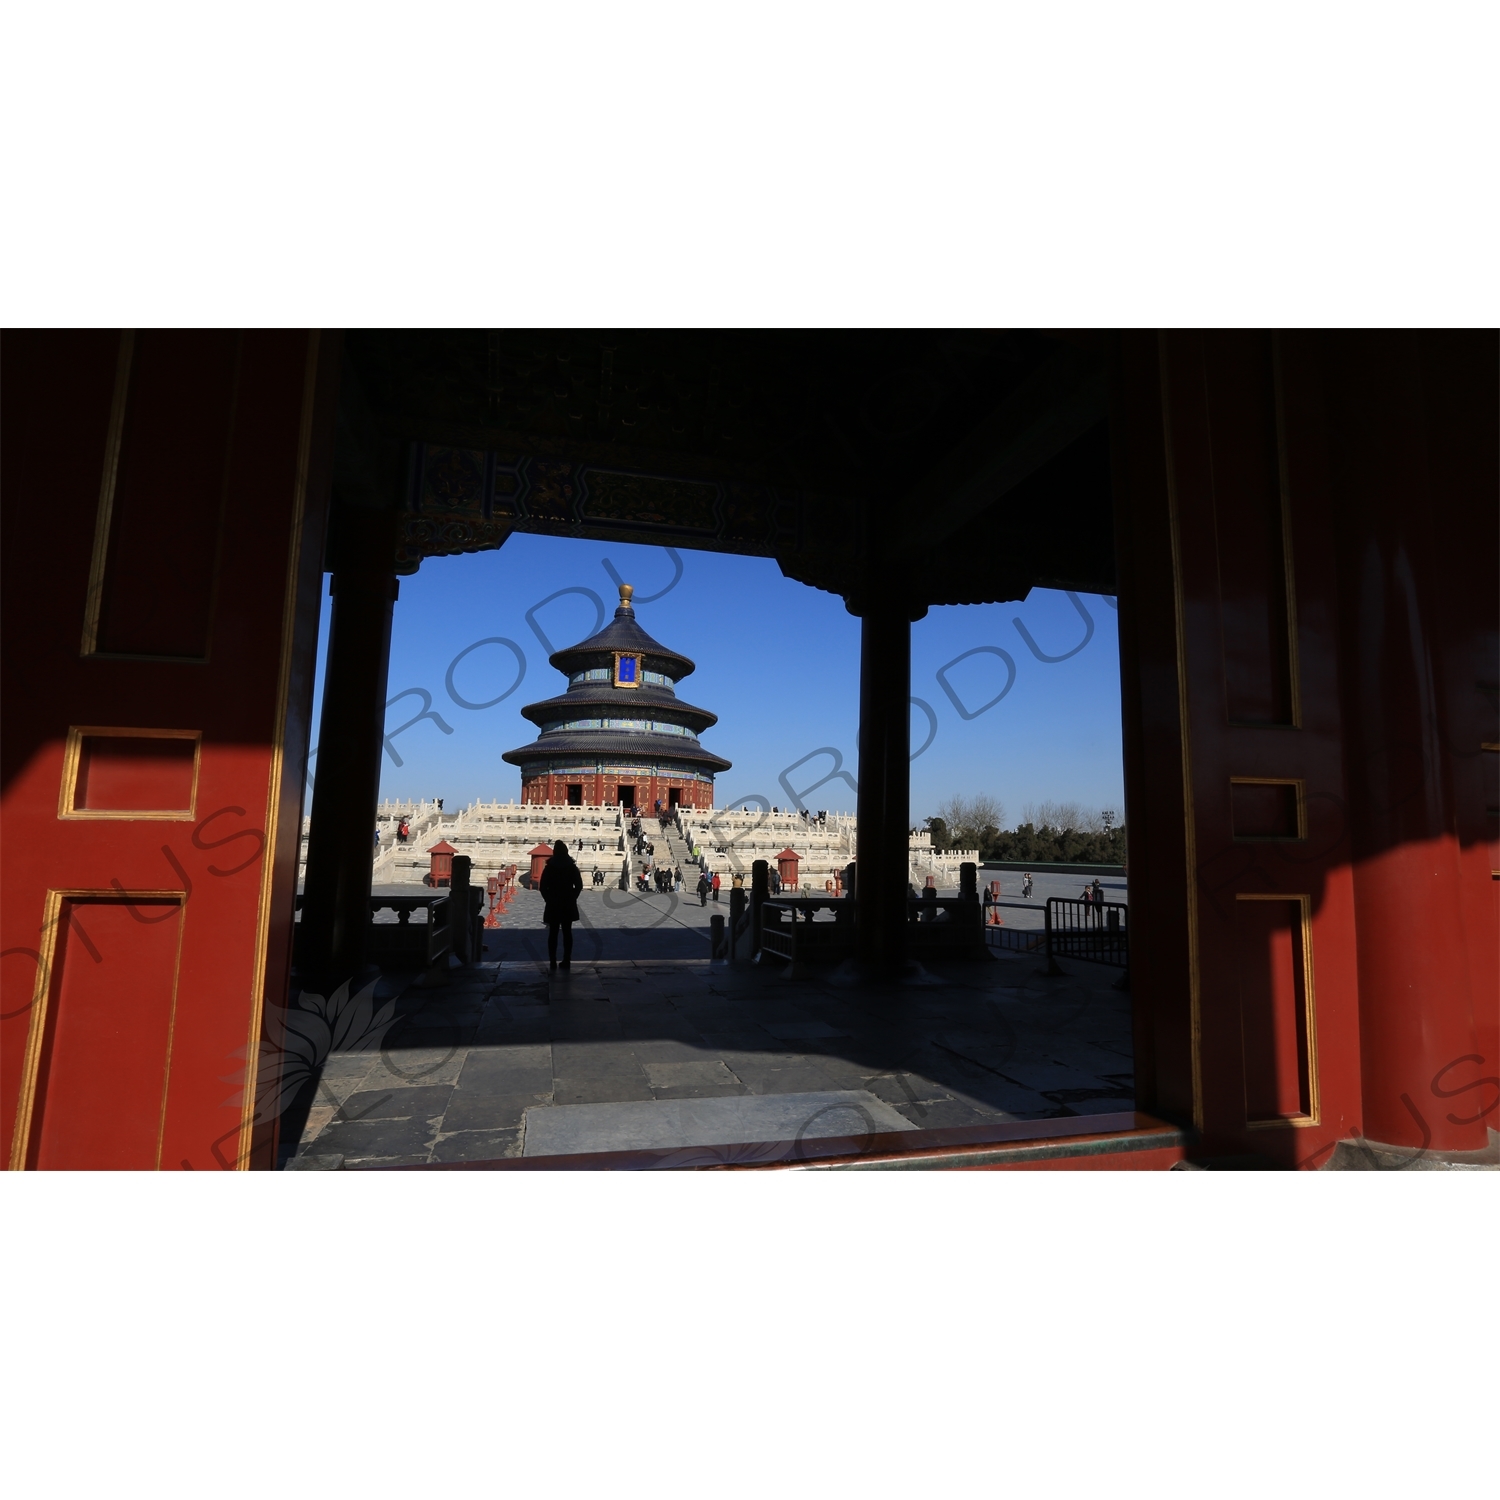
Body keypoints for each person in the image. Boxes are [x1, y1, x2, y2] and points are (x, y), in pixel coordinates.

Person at [539, 838, 583, 972]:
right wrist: (572, 897)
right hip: (567, 902)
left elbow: (543, 886)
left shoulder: (550, 867)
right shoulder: (571, 866)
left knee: (553, 933)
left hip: (553, 902)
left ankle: (552, 960)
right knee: (567, 932)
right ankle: (566, 959)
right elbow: (579, 885)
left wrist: (548, 898)